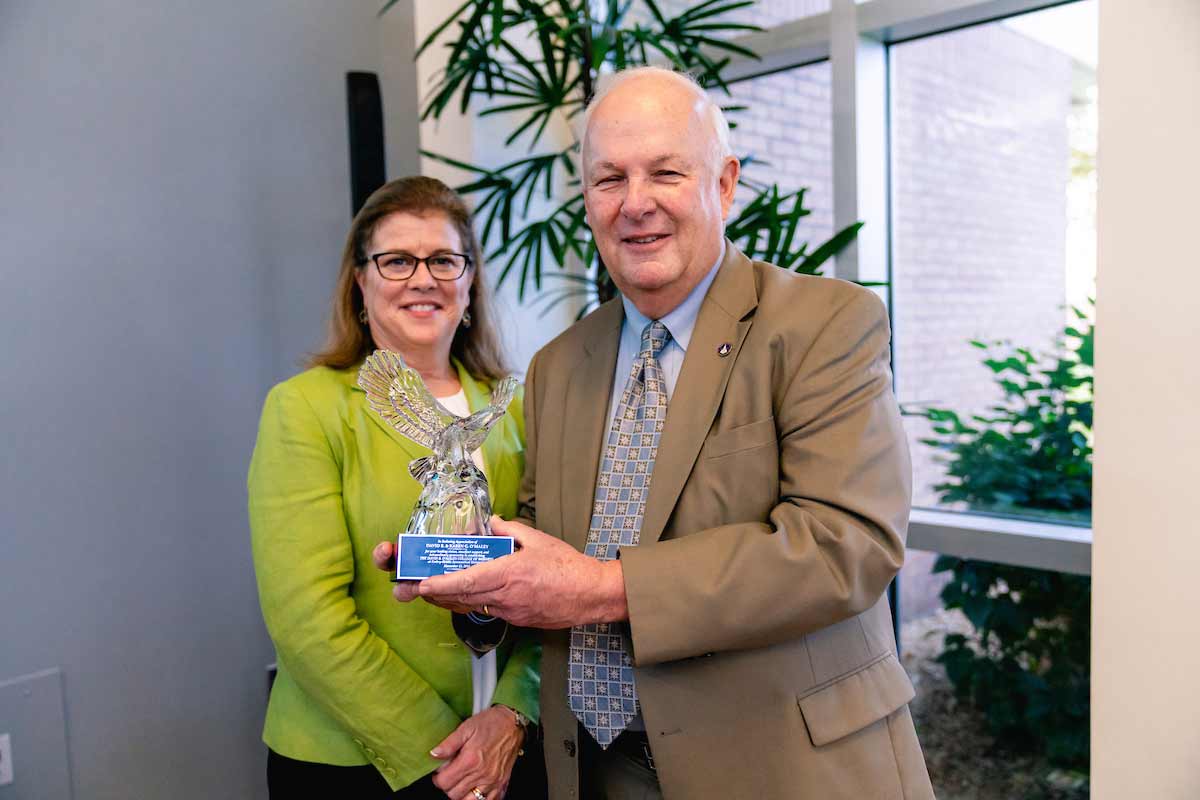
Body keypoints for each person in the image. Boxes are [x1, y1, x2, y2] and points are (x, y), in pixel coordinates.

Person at [374, 68, 934, 799]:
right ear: (587, 201)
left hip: (782, 769)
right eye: (609, 179)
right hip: (600, 769)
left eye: (666, 173)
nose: (635, 204)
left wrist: (606, 589)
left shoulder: (825, 324)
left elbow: (846, 543)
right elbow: (547, 534)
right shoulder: (557, 364)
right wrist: (481, 579)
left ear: (724, 184)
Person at [248, 176, 542, 800]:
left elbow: (555, 576)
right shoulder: (305, 409)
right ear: (360, 282)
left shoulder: (516, 411)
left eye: (443, 259)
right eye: (397, 260)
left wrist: (511, 717)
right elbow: (308, 620)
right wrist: (449, 752)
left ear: (469, 284)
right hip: (360, 765)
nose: (423, 278)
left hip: (510, 754)